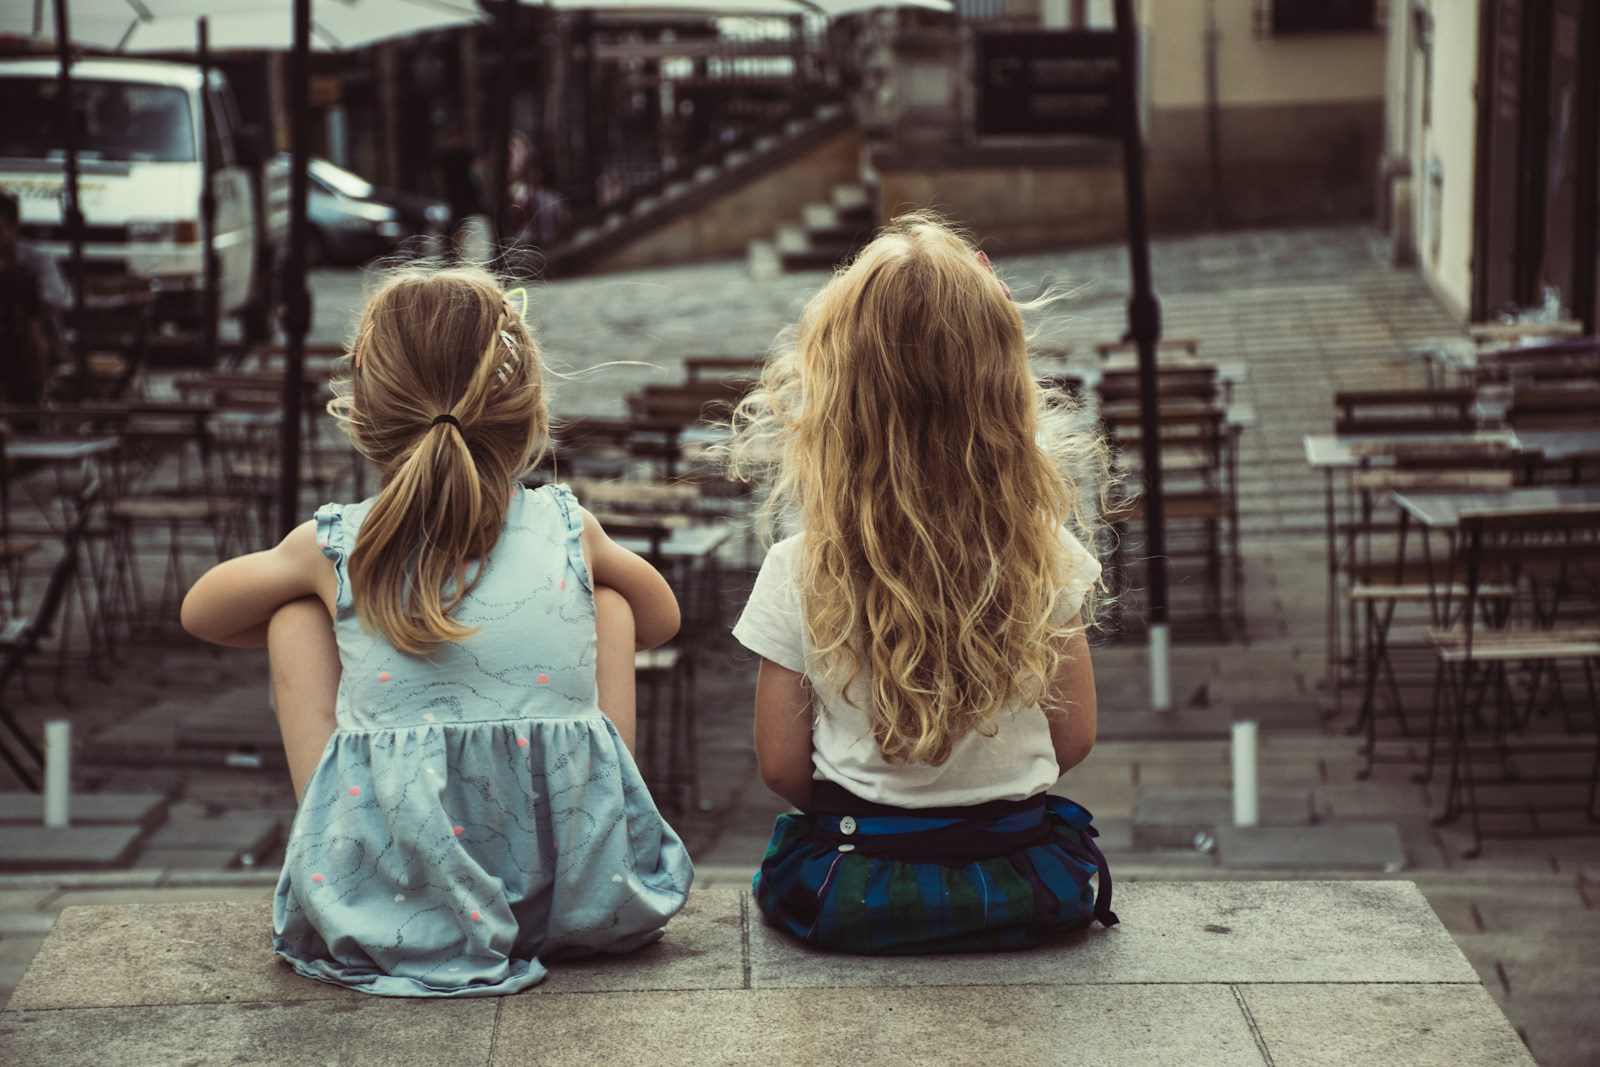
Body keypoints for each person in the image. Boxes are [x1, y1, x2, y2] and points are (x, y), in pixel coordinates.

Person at [180, 265, 693, 996]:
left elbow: (202, 610)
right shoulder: (567, 524)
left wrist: (353, 612)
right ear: (525, 409)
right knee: (606, 596)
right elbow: (660, 618)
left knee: (293, 610)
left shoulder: (338, 543)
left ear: (365, 414)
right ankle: (588, 842)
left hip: (389, 904)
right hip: (577, 898)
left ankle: (347, 846)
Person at [724, 212, 1120, 955]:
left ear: (840, 401)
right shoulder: (1047, 555)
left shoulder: (801, 567)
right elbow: (1076, 736)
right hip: (1023, 876)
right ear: (1003, 396)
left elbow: (782, 766)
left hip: (858, 882)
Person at [0, 190, 68, 403]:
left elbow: (55, 299)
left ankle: (33, 406)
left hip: (33, 338)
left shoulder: (37, 260)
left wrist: (14, 288)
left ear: (12, 227)